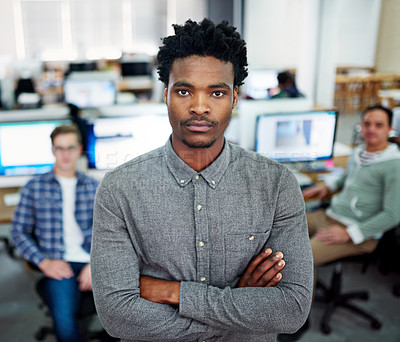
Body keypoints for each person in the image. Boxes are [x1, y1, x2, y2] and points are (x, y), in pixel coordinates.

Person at [91, 18, 313, 342]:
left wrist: (172, 293)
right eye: (184, 91)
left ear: (235, 98)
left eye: (217, 92)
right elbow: (118, 316)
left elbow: (291, 309)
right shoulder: (119, 190)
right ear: (165, 94)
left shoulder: (276, 185)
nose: (199, 107)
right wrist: (239, 304)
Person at [280, 104, 400, 341]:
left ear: (390, 129)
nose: (371, 130)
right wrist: (327, 187)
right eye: (367, 124)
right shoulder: (360, 153)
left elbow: (393, 214)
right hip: (330, 216)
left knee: (302, 257)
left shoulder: (393, 164)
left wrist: (350, 233)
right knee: (282, 227)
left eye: (378, 125)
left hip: (358, 232)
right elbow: (348, 178)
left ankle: (299, 320)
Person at [11, 125, 99, 342]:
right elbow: (18, 232)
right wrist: (44, 262)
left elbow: (109, 234)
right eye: (59, 148)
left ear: (79, 149)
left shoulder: (94, 187)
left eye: (70, 148)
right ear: (52, 151)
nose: (65, 154)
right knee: (65, 324)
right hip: (58, 263)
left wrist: (96, 263)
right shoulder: (34, 187)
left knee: (135, 311)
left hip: (91, 261)